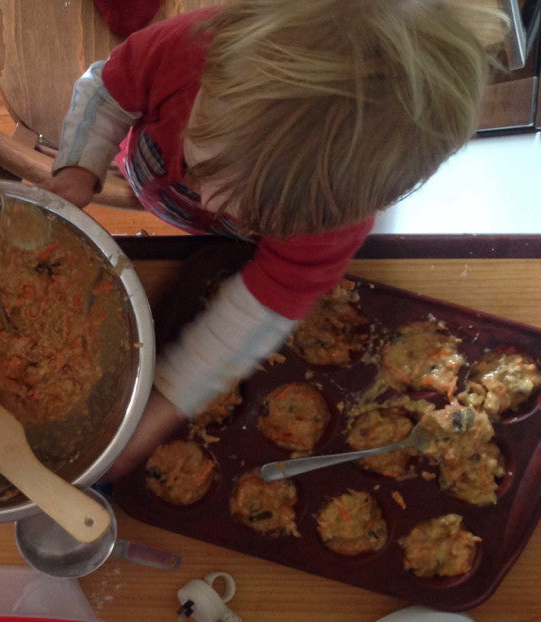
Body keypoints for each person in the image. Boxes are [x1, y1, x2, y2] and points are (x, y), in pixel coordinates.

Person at [48, 0, 503, 477]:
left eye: (258, 216)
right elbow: (105, 90)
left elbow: (258, 310)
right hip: (141, 174)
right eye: (203, 166)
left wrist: (168, 400)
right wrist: (78, 167)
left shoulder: (330, 222)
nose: (211, 200)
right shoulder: (188, 48)